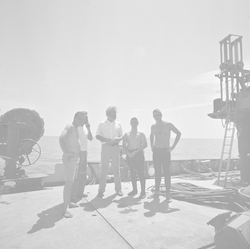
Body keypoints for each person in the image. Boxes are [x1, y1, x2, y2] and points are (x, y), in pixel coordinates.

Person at [59, 111, 88, 218]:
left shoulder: (77, 129)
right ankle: (65, 208)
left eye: (83, 119)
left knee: (72, 181)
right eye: (80, 119)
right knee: (69, 182)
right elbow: (62, 138)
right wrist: (66, 152)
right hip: (69, 159)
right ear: (75, 117)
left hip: (75, 159)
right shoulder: (70, 126)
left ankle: (69, 202)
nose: (82, 121)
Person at [150, 109, 181, 202]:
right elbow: (151, 135)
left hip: (165, 150)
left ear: (161, 115)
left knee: (167, 173)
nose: (156, 117)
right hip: (156, 151)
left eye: (157, 115)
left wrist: (173, 147)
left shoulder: (168, 124)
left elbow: (179, 133)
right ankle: (157, 192)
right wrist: (152, 145)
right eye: (154, 115)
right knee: (157, 172)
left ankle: (168, 194)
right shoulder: (153, 126)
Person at [96, 106, 123, 198]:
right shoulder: (102, 124)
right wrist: (106, 140)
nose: (115, 114)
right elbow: (97, 136)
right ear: (108, 113)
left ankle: (118, 189)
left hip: (115, 147)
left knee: (116, 169)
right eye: (113, 112)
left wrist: (118, 139)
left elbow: (121, 136)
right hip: (105, 147)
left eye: (115, 112)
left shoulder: (118, 124)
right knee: (104, 169)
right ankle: (101, 190)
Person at [123, 117, 147, 199]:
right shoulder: (126, 134)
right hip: (130, 154)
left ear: (138, 123)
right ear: (130, 123)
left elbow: (145, 145)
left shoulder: (141, 133)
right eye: (132, 122)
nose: (134, 123)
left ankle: (143, 192)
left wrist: (136, 152)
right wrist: (128, 153)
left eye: (135, 122)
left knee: (141, 173)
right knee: (132, 173)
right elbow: (124, 146)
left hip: (138, 154)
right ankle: (134, 190)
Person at [71, 115, 93, 203]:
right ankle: (72, 196)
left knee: (82, 174)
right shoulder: (75, 127)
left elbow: (91, 138)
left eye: (86, 119)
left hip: (84, 152)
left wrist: (89, 128)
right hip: (78, 152)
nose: (85, 120)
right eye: (83, 118)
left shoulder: (84, 128)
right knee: (75, 175)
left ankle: (80, 192)